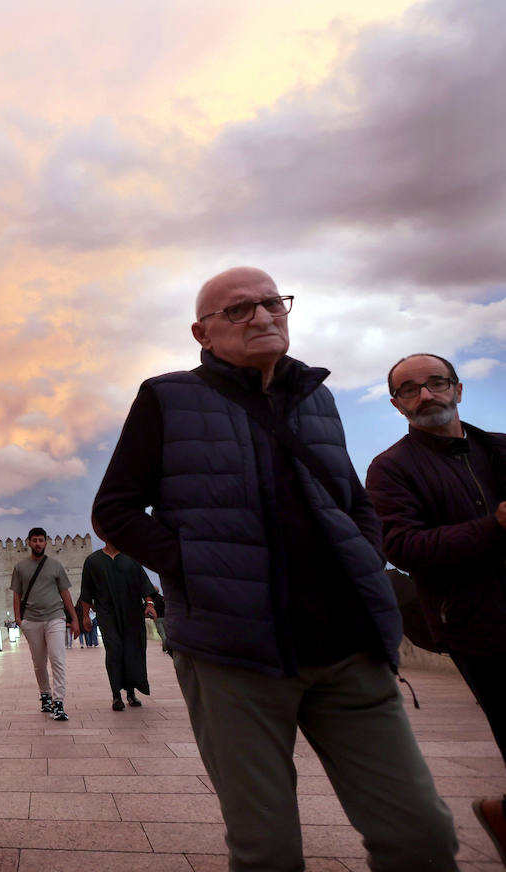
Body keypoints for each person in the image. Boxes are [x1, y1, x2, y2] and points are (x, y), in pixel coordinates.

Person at [92, 267, 458, 871]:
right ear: (201, 333)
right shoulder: (167, 397)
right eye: (239, 311)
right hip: (233, 657)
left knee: (421, 835)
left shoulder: (317, 397)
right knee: (268, 850)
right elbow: (115, 510)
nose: (262, 317)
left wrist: (364, 557)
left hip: (347, 651)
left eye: (271, 304)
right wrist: (196, 569)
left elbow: (351, 501)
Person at [366, 352, 506, 863]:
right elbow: (402, 548)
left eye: (436, 383)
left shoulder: (500, 449)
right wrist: (493, 527)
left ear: (458, 389)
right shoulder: (391, 469)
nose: (426, 395)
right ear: (397, 404)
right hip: (478, 627)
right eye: (410, 389)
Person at [78, 537, 156, 710]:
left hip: (132, 614)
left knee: (131, 650)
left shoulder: (132, 558)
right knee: (114, 650)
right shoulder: (93, 561)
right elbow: (86, 591)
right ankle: (116, 695)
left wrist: (149, 604)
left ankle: (131, 693)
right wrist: (85, 617)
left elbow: (144, 584)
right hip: (107, 614)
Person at [10, 527, 79, 719]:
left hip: (55, 617)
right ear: (29, 542)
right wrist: (18, 619)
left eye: (41, 540)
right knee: (39, 664)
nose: (38, 543)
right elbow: (16, 594)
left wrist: (74, 619)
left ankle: (59, 703)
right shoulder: (20, 567)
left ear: (46, 542)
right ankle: (45, 696)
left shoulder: (55, 566)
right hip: (31, 620)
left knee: (58, 659)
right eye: (35, 540)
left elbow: (65, 593)